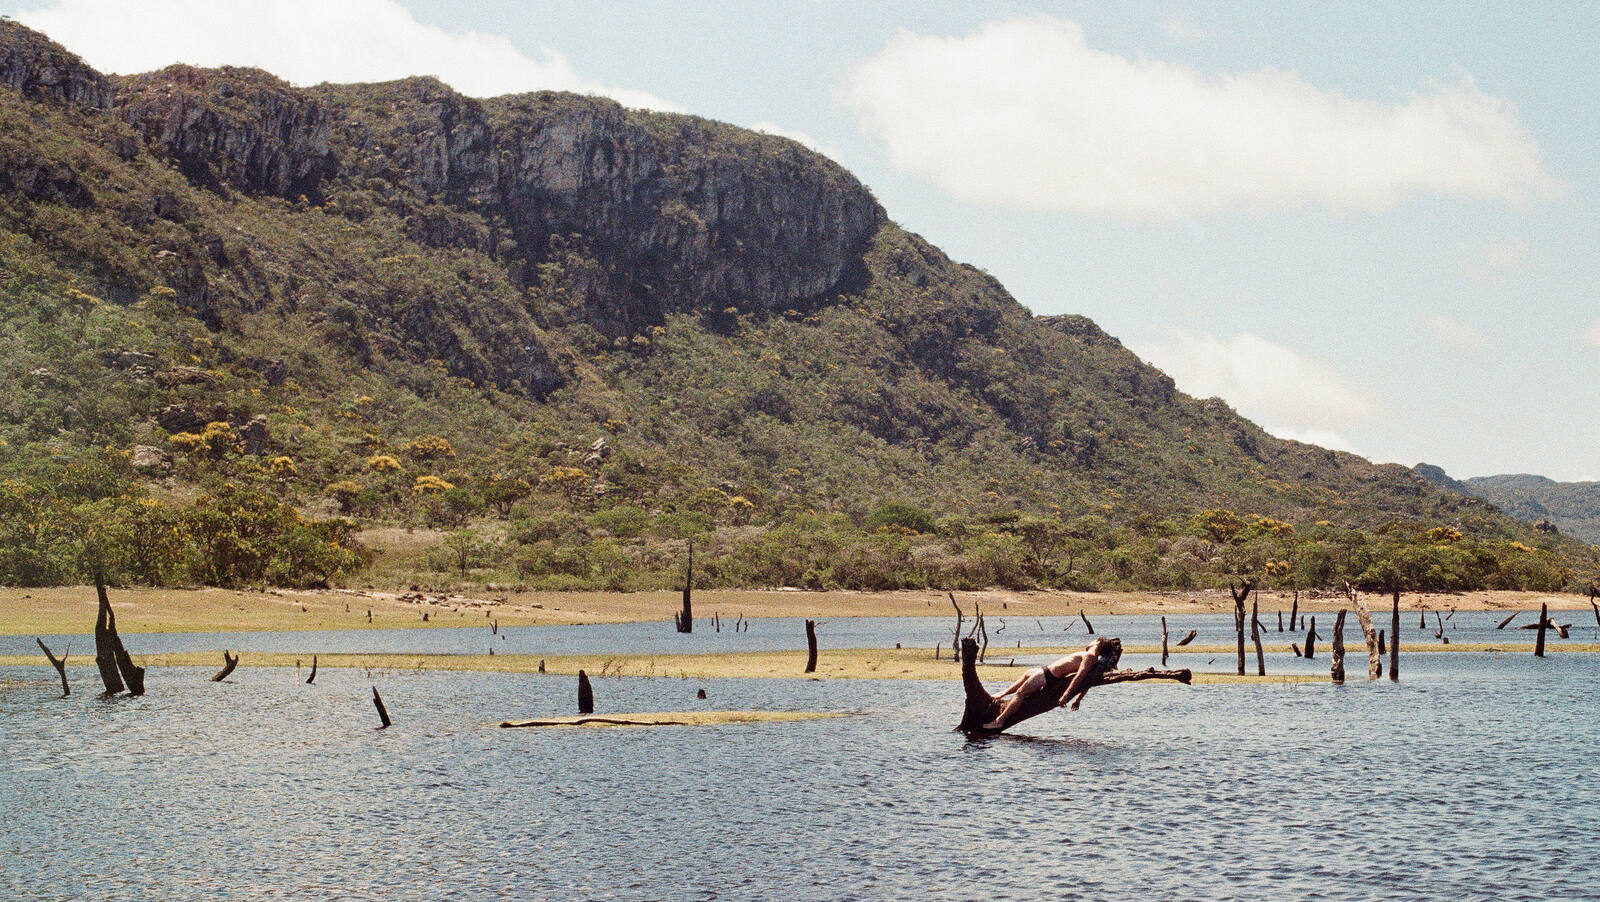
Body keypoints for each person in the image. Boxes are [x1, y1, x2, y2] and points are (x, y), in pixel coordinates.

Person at [982, 636, 1122, 730]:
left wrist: (1067, 695)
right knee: (1027, 674)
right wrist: (1078, 699)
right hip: (1046, 672)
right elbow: (1087, 680)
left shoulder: (1091, 656)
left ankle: (999, 721)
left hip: (1048, 675)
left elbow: (1081, 677)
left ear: (1098, 641)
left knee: (1020, 694)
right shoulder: (1091, 656)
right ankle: (1001, 694)